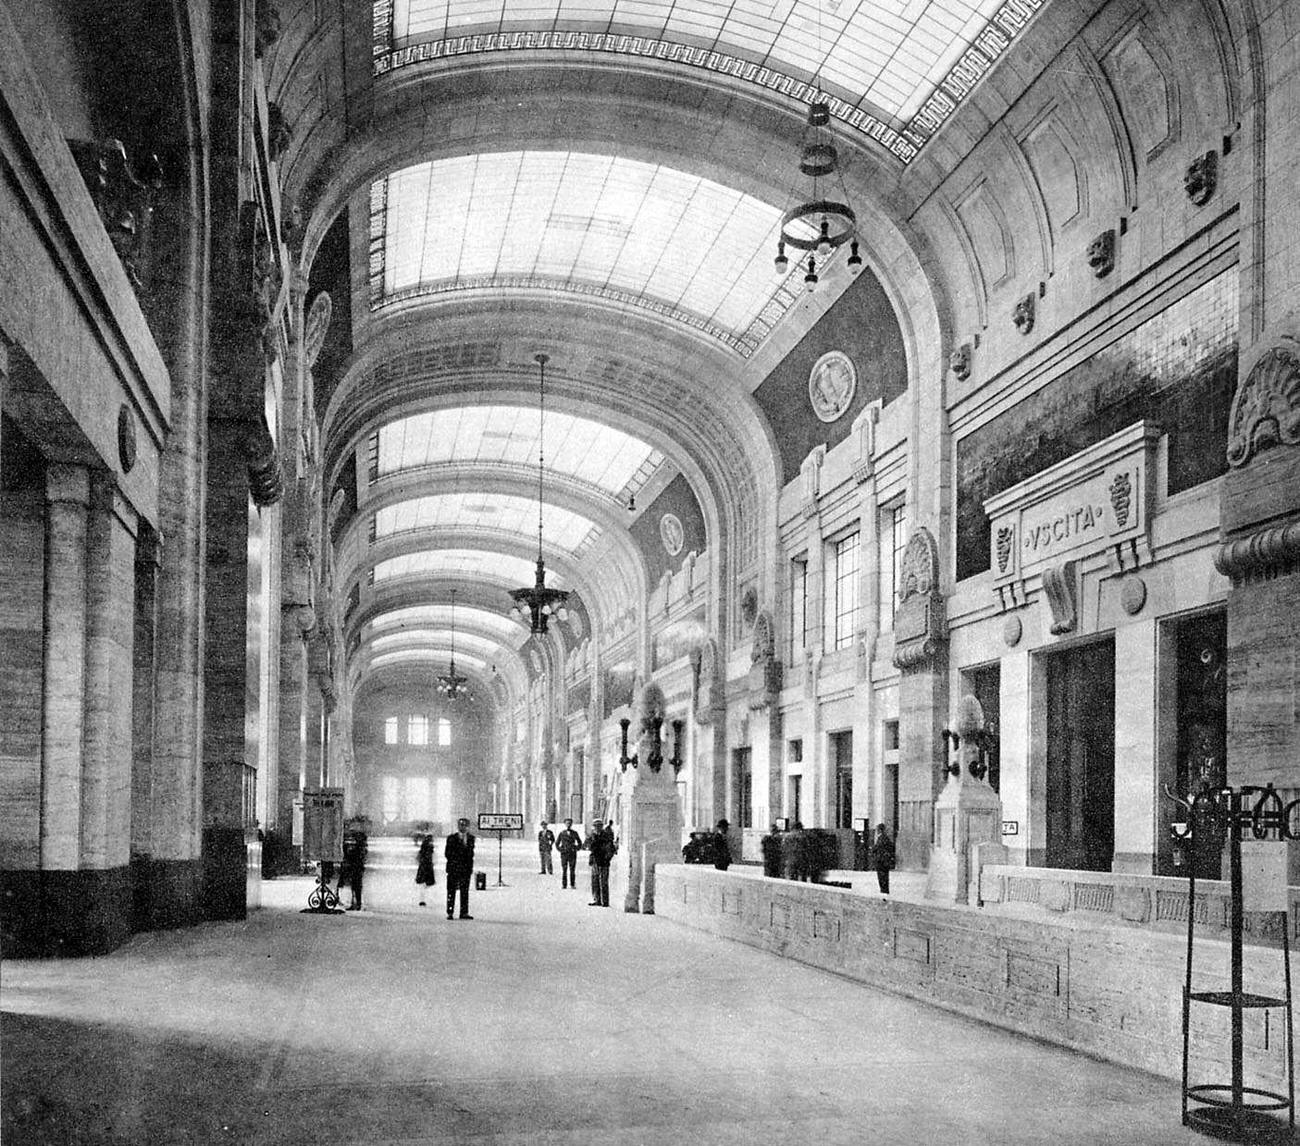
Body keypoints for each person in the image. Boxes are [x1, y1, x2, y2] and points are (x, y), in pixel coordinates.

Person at [444, 817, 476, 919]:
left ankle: (464, 912)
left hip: (466, 869)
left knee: (464, 891)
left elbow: (471, 854)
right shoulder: (451, 838)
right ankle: (450, 912)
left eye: (465, 825)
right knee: (451, 891)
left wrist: (469, 866)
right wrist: (457, 859)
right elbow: (447, 853)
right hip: (454, 868)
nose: (463, 827)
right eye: (461, 825)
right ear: (458, 826)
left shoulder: (471, 838)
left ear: (468, 827)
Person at [588, 819, 615, 907]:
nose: (597, 828)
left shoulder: (606, 836)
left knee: (603, 882)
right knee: (595, 881)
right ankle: (597, 900)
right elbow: (587, 846)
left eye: (599, 826)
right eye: (595, 826)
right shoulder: (592, 836)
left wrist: (607, 858)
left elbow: (611, 849)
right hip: (595, 861)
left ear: (602, 826)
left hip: (604, 861)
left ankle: (605, 901)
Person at [340, 827, 368, 910]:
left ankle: (357, 903)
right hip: (358, 868)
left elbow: (351, 856)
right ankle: (357, 903)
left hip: (356, 868)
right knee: (356, 886)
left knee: (356, 886)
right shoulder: (362, 848)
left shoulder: (358, 849)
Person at [555, 818, 582, 888]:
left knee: (572, 869)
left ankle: (572, 884)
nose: (568, 825)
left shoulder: (575, 833)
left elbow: (580, 843)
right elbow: (557, 843)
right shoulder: (562, 833)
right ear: (565, 824)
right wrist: (561, 849)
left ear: (572, 824)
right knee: (564, 869)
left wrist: (575, 848)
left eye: (570, 823)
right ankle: (564, 885)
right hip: (564, 854)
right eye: (567, 823)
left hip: (572, 854)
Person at [871, 823, 896, 894]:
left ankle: (884, 890)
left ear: (879, 830)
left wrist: (873, 849)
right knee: (884, 877)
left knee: (882, 878)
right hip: (884, 861)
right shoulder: (885, 838)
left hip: (881, 862)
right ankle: (884, 890)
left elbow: (877, 848)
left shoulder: (881, 838)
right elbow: (891, 847)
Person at [414, 833, 436, 906]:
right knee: (427, 883)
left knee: (422, 883)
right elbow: (430, 856)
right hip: (428, 866)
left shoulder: (424, 847)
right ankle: (423, 898)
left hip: (423, 865)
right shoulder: (430, 847)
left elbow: (419, 856)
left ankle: (422, 899)